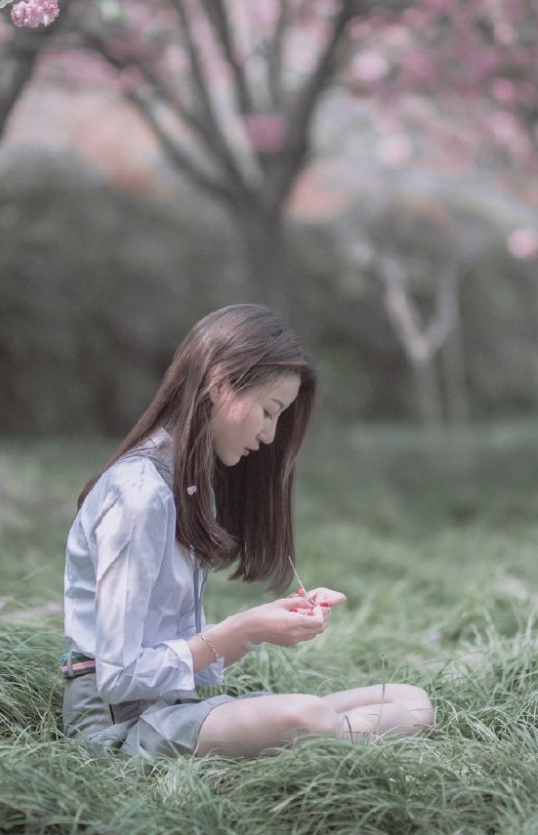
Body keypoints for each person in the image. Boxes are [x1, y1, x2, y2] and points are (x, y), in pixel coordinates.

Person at [62, 304, 434, 759]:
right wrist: (241, 629)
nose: (271, 435)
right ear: (219, 384)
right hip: (118, 726)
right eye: (268, 411)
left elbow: (186, 665)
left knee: (413, 704)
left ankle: (297, 744)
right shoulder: (139, 496)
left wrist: (264, 627)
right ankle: (303, 742)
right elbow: (119, 677)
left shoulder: (188, 487)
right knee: (309, 717)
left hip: (177, 709)